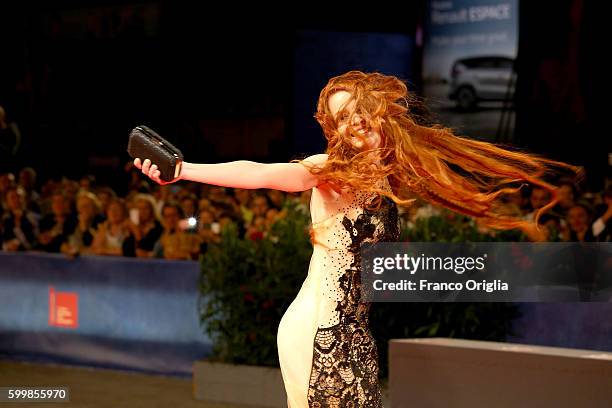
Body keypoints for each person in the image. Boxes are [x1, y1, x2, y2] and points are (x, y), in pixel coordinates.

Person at [133, 71, 582, 407]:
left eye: (357, 111)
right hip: (317, 331)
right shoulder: (330, 170)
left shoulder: (388, 175)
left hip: (353, 332)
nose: (353, 124)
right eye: (340, 119)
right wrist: (184, 171)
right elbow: (263, 173)